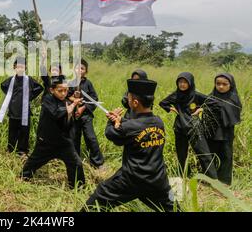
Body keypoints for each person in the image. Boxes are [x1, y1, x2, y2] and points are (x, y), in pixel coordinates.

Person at [84, 79, 177, 212]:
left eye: (128, 98)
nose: (127, 100)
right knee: (172, 208)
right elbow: (136, 126)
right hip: (157, 179)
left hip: (131, 180)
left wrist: (111, 122)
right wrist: (121, 121)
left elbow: (112, 135)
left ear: (135, 102)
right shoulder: (158, 122)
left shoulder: (128, 127)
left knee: (99, 198)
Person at [21, 76, 85, 189]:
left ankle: (78, 187)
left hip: (63, 142)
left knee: (76, 163)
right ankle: (23, 177)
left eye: (66, 90)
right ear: (52, 90)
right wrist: (69, 109)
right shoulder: (47, 100)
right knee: (34, 161)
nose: (63, 93)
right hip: (47, 141)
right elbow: (55, 113)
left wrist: (70, 115)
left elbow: (68, 125)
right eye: (60, 90)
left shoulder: (66, 102)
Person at [159, 72, 217, 179]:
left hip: (195, 127)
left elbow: (214, 102)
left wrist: (201, 109)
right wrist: (171, 108)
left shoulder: (196, 95)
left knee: (204, 154)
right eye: (180, 82)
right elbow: (162, 103)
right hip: (179, 128)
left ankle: (212, 179)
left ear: (190, 83)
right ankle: (183, 175)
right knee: (182, 155)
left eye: (185, 82)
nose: (182, 84)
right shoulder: (175, 95)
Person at [203, 73, 242, 185]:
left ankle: (224, 180)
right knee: (210, 154)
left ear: (230, 85)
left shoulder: (233, 99)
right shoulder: (210, 96)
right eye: (218, 84)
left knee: (226, 155)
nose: (221, 86)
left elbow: (233, 114)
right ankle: (210, 179)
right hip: (212, 132)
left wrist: (220, 107)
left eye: (224, 84)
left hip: (226, 133)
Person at [0, 57, 43, 156]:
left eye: (22, 66)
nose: (20, 68)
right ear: (14, 67)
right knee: (12, 131)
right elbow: (3, 86)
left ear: (25, 68)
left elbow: (40, 88)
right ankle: (10, 149)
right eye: (18, 66)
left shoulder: (29, 80)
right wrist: (10, 96)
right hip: (13, 110)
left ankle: (22, 150)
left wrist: (30, 97)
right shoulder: (11, 80)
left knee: (24, 131)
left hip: (24, 111)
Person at [68, 59, 104, 169]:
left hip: (86, 116)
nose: (79, 70)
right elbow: (66, 96)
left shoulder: (88, 84)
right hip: (74, 116)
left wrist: (83, 108)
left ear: (86, 71)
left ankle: (97, 162)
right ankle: (75, 161)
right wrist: (74, 98)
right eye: (77, 68)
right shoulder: (71, 83)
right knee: (74, 138)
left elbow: (94, 99)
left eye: (82, 68)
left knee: (90, 137)